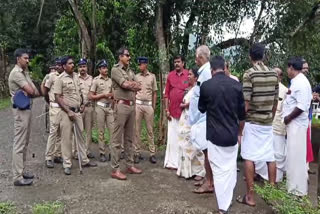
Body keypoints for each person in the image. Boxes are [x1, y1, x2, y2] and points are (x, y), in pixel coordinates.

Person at [199, 56, 245, 214]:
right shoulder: (236, 85)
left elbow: (201, 109)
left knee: (218, 171)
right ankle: (226, 200)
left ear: (212, 69)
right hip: (232, 135)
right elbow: (242, 115)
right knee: (230, 168)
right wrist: (239, 133)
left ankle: (223, 206)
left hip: (214, 136)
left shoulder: (206, 86)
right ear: (224, 68)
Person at [238, 43, 278, 206]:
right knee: (270, 156)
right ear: (264, 56)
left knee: (249, 157)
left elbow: (246, 103)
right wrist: (271, 117)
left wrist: (240, 124)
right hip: (268, 121)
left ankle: (250, 196)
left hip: (253, 121)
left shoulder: (249, 74)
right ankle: (272, 195)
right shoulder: (274, 74)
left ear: (250, 57)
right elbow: (275, 102)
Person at [53, 56, 97, 175]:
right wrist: (68, 111)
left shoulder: (76, 77)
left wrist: (82, 104)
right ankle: (67, 163)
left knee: (81, 136)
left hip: (78, 111)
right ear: (64, 66)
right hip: (67, 112)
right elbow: (57, 97)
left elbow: (80, 93)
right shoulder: (60, 79)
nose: (73, 65)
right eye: (70, 63)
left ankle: (84, 160)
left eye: (73, 63)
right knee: (66, 138)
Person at [8, 48, 40, 186]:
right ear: (18, 59)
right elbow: (32, 90)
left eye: (28, 58)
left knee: (25, 143)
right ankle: (17, 176)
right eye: (25, 58)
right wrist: (31, 92)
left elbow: (35, 91)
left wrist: (32, 92)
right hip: (20, 111)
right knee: (19, 143)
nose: (28, 60)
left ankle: (21, 170)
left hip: (27, 109)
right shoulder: (16, 74)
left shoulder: (24, 72)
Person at [110, 47, 142, 180]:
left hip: (131, 106)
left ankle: (130, 164)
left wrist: (132, 84)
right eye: (127, 55)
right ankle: (115, 169)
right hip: (121, 106)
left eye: (129, 55)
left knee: (129, 138)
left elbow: (139, 85)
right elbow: (124, 85)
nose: (129, 58)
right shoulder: (115, 69)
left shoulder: (130, 71)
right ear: (120, 57)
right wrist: (131, 84)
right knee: (117, 139)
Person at [283, 56, 312, 196]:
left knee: (296, 158)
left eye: (287, 68)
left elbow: (301, 106)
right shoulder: (297, 81)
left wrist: (288, 118)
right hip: (295, 125)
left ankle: (297, 190)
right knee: (293, 157)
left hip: (296, 125)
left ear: (291, 68)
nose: (287, 71)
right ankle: (293, 187)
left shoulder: (300, 82)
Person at [255, 67, 288, 182]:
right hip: (265, 124)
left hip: (278, 126)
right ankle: (261, 174)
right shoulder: (265, 87)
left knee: (278, 153)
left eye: (276, 74)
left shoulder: (285, 90)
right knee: (262, 150)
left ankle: (276, 179)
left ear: (280, 77)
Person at [189, 45, 214, 194]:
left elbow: (206, 96)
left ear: (200, 57)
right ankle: (208, 180)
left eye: (196, 57)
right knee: (206, 151)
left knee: (207, 152)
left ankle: (210, 183)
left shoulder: (206, 73)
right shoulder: (203, 71)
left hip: (204, 118)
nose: (195, 59)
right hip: (200, 118)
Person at [176, 68, 205, 180]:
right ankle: (185, 170)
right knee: (184, 144)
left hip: (193, 120)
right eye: (187, 74)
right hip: (185, 119)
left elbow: (197, 104)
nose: (188, 76)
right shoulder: (189, 89)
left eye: (190, 74)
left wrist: (185, 105)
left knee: (194, 145)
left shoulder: (197, 90)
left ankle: (199, 171)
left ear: (196, 78)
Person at [164, 55, 189, 170]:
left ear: (183, 63)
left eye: (178, 62)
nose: (176, 64)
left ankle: (183, 164)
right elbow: (166, 95)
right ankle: (172, 162)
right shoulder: (170, 75)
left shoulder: (189, 75)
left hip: (185, 113)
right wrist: (166, 110)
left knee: (184, 138)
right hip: (172, 112)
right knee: (173, 138)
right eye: (175, 62)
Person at [89, 59, 114, 162]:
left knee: (112, 130)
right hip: (99, 107)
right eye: (103, 68)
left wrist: (112, 99)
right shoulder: (96, 80)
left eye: (106, 67)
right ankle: (102, 152)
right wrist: (103, 95)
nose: (105, 69)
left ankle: (113, 153)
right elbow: (90, 96)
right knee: (101, 131)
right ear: (99, 69)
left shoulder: (111, 80)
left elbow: (113, 94)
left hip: (109, 107)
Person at [134, 57, 158, 164]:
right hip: (138, 105)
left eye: (141, 64)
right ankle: (137, 153)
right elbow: (133, 90)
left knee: (150, 131)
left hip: (148, 106)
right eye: (139, 65)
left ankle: (152, 153)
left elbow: (154, 92)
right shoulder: (136, 77)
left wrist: (153, 106)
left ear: (146, 65)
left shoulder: (152, 77)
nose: (139, 66)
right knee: (137, 130)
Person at [42, 58, 64, 168]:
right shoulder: (51, 76)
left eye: (61, 65)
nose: (59, 67)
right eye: (58, 65)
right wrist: (49, 101)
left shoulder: (65, 76)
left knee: (60, 133)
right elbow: (45, 91)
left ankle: (57, 155)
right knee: (53, 132)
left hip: (63, 108)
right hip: (54, 107)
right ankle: (48, 157)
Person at [78, 58, 95, 159]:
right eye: (80, 67)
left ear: (87, 68)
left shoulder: (91, 79)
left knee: (88, 131)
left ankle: (87, 151)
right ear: (78, 68)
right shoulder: (75, 78)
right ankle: (76, 152)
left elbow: (93, 93)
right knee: (78, 130)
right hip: (79, 108)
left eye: (84, 66)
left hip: (89, 108)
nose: (82, 68)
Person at [301, 60, 315, 174]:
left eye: (307, 68)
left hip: (308, 117)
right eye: (305, 67)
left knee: (308, 143)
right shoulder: (296, 82)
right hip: (301, 119)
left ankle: (306, 167)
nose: (306, 70)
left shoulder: (306, 81)